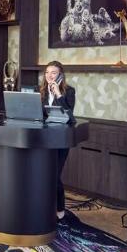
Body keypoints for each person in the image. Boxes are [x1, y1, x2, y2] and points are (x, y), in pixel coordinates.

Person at [40, 60, 76, 219]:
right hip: (44, 137)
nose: (49, 76)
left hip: (61, 138)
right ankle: (44, 207)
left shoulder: (69, 91)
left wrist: (58, 94)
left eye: (53, 73)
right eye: (47, 72)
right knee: (43, 173)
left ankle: (60, 209)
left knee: (54, 175)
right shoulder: (40, 91)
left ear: (60, 75)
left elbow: (69, 115)